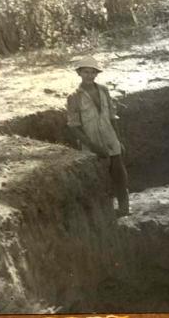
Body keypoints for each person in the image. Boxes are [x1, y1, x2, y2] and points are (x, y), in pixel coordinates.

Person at [66, 56, 130, 217]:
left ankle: (124, 209)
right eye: (86, 72)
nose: (89, 75)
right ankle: (101, 214)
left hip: (110, 138)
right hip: (91, 143)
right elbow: (74, 127)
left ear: (96, 74)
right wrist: (94, 147)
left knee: (119, 174)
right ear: (79, 73)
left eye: (93, 72)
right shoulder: (74, 97)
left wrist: (118, 139)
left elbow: (112, 116)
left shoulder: (103, 90)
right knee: (96, 179)